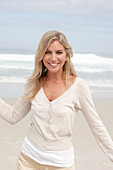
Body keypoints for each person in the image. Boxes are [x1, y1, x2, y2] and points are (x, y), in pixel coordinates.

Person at [0, 30, 113, 170]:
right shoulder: (34, 84)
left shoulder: (79, 87)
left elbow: (97, 126)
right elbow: (13, 116)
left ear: (67, 56)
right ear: (41, 55)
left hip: (60, 165)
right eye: (47, 52)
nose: (53, 58)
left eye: (59, 52)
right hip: (27, 161)